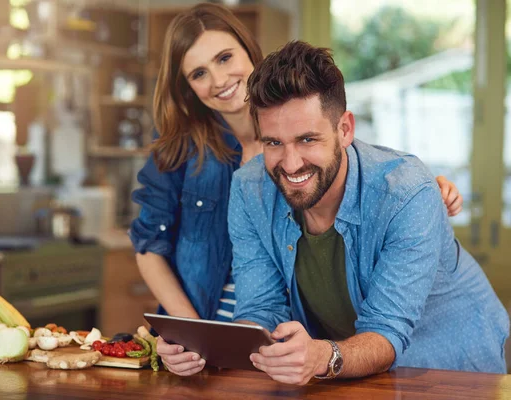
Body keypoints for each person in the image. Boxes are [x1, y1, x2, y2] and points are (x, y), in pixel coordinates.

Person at [156, 40, 509, 383]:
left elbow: (386, 331)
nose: (291, 164)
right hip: (354, 370)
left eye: (307, 139)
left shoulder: (407, 192)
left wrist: (323, 356)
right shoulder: (250, 188)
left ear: (344, 129)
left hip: (451, 367)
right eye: (274, 143)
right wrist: (203, 348)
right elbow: (261, 308)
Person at [131, 4, 463, 330]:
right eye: (198, 73)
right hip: (210, 323)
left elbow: (356, 165)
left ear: (249, 51)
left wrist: (422, 188)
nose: (218, 79)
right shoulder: (180, 148)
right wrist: (194, 332)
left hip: (290, 330)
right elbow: (148, 246)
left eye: (225, 57)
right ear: (187, 87)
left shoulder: (299, 110)